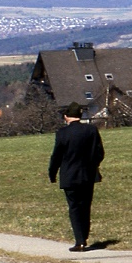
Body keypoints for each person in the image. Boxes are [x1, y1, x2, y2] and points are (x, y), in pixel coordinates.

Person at [48, 102, 104, 252]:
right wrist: (93, 166)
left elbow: (56, 156)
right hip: (88, 175)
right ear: (80, 115)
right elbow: (100, 153)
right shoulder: (91, 130)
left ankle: (79, 241)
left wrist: (52, 173)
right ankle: (84, 238)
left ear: (66, 116)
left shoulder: (62, 133)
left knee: (74, 208)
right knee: (85, 207)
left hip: (69, 176)